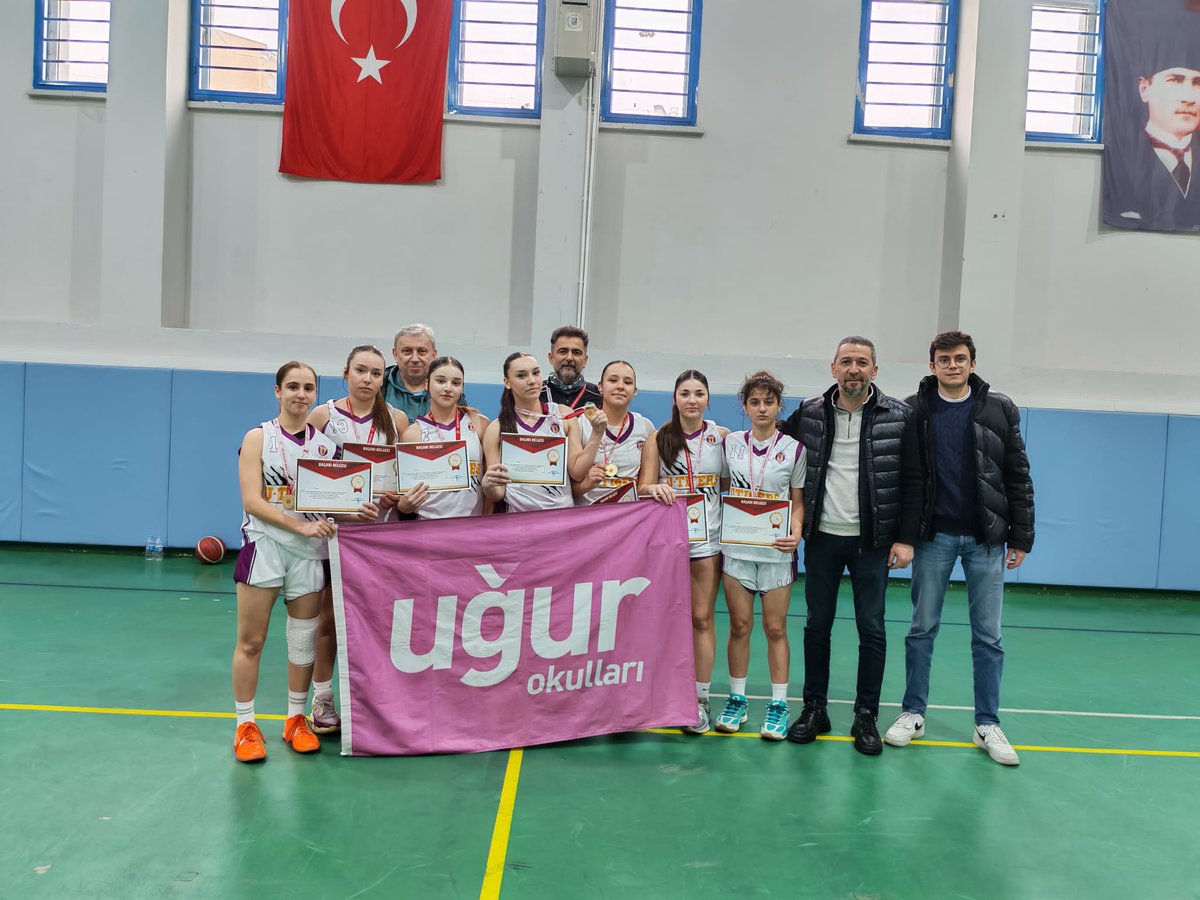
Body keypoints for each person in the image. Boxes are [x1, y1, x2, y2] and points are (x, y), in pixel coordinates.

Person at [884, 331, 1035, 766]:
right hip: (933, 539)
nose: (952, 365)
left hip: (986, 539)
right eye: (944, 359)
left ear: (972, 363)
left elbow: (1017, 475)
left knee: (988, 636)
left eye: (960, 358)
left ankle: (987, 723)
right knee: (921, 629)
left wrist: (1021, 536)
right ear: (932, 365)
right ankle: (913, 713)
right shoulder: (913, 410)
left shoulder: (998, 408)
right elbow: (905, 481)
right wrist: (906, 535)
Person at [231, 361, 379, 763]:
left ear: (315, 394)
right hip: (266, 546)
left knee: (302, 643)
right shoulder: (258, 437)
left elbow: (331, 505)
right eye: (292, 387)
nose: (300, 394)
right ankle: (245, 724)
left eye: (308, 388)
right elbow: (252, 501)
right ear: (277, 392)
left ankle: (296, 719)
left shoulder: (325, 448)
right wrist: (300, 529)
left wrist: (356, 511)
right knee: (252, 641)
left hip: (309, 553)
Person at [779, 337, 911, 756]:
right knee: (817, 625)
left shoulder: (899, 416)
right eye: (846, 361)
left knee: (871, 629)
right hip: (821, 539)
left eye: (863, 362)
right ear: (832, 367)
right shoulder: (809, 413)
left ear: (875, 370)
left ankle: (866, 714)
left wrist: (905, 537)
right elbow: (774, 451)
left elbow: (914, 481)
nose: (854, 369)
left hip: (872, 542)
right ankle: (815, 708)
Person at [304, 344, 411, 735]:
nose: (368, 379)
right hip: (337, 534)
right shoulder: (323, 416)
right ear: (346, 372)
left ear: (384, 378)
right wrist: (346, 507)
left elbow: (404, 477)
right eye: (361, 371)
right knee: (329, 619)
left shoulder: (396, 419)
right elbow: (311, 481)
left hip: (381, 537)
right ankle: (322, 697)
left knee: (382, 621)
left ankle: (375, 698)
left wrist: (394, 496)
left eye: (376, 373)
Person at [714, 371, 805, 741]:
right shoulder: (730, 444)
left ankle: (778, 705)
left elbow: (797, 504)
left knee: (775, 627)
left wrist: (796, 531)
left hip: (775, 552)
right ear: (745, 406)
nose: (762, 408)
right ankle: (737, 698)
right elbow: (722, 491)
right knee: (739, 626)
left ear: (779, 405)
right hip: (736, 550)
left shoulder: (795, 449)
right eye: (755, 402)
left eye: (769, 401)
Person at [639, 370, 730, 734]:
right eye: (685, 393)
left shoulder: (721, 437)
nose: (691, 399)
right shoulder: (659, 439)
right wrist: (655, 490)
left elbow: (729, 486)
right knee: (662, 619)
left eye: (699, 393)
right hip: (668, 541)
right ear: (675, 399)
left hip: (708, 542)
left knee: (701, 619)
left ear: (708, 399)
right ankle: (659, 694)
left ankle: (700, 698)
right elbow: (644, 485)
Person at [1103, 1, 1200, 231]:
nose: (1189, 97)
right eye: (1175, 81)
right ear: (1145, 88)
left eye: (1197, 83)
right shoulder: (1126, 156)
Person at [481, 352, 586, 513]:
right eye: (521, 375)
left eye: (536, 373)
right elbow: (498, 493)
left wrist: (597, 435)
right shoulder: (496, 428)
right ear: (507, 382)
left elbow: (577, 473)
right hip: (519, 524)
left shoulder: (562, 414)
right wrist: (488, 486)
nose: (532, 381)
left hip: (562, 518)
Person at [401, 356, 490, 519]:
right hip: (429, 529)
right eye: (441, 381)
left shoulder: (479, 423)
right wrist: (404, 505)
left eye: (456, 383)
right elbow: (404, 497)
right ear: (427, 384)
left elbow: (491, 486)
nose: (448, 388)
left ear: (462, 388)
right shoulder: (413, 433)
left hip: (472, 528)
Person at [573, 360, 656, 506]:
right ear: (600, 386)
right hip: (588, 516)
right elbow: (568, 489)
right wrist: (586, 484)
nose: (620, 387)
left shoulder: (645, 427)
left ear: (635, 390)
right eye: (613, 380)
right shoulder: (581, 424)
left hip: (627, 517)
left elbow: (645, 485)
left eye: (628, 382)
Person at [383, 324, 469, 419]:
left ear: (433, 355)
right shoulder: (380, 386)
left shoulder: (449, 390)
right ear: (395, 354)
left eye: (422, 351)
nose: (415, 359)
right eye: (407, 351)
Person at [544, 325, 602, 410]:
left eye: (576, 353)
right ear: (551, 358)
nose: (569, 358)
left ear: (585, 360)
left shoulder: (599, 397)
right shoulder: (535, 394)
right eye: (562, 351)